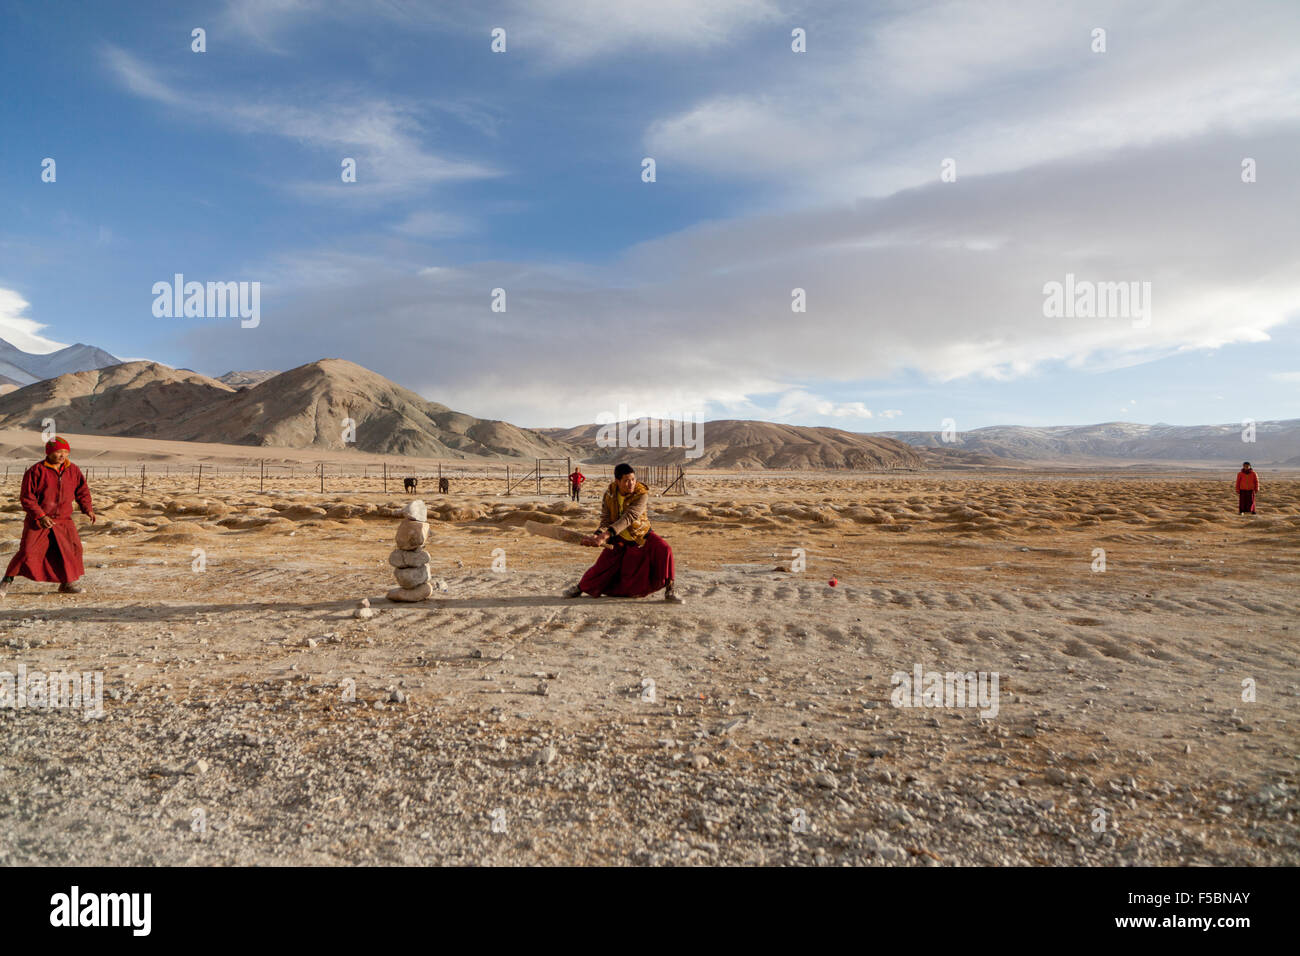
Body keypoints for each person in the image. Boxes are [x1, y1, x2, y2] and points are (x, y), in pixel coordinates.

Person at [562, 463, 683, 604]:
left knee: (664, 549)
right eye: (626, 480)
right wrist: (597, 534)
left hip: (641, 535)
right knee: (602, 566)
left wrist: (605, 536)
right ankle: (580, 587)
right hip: (618, 538)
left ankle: (670, 589)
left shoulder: (641, 494)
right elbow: (606, 519)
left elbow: (629, 517)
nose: (631, 483)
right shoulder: (609, 495)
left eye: (633, 479)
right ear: (617, 481)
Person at [0, 437, 96, 597]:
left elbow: (82, 491)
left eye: (65, 451)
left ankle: (67, 584)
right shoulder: (36, 471)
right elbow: (27, 497)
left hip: (64, 520)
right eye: (58, 452)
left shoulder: (73, 470)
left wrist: (88, 509)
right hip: (39, 520)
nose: (62, 455)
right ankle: (6, 582)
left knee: (72, 550)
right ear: (49, 453)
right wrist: (40, 516)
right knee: (27, 551)